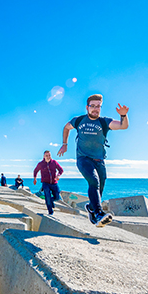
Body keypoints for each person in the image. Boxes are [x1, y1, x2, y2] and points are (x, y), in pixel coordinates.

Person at [57, 94, 128, 227]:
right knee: (93, 181)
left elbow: (123, 126)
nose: (95, 109)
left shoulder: (104, 122)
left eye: (98, 106)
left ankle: (92, 209)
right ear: (87, 107)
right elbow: (66, 128)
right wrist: (64, 144)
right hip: (83, 159)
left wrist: (123, 115)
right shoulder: (78, 120)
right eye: (93, 106)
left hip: (99, 160)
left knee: (99, 187)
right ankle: (99, 212)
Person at [33, 150, 64, 215]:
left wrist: (58, 175)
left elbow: (61, 170)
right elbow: (35, 171)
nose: (48, 157)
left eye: (49, 155)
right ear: (44, 156)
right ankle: (50, 212)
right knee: (47, 196)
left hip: (54, 183)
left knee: (57, 197)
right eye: (46, 156)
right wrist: (35, 179)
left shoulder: (54, 162)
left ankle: (50, 201)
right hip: (45, 183)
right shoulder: (41, 164)